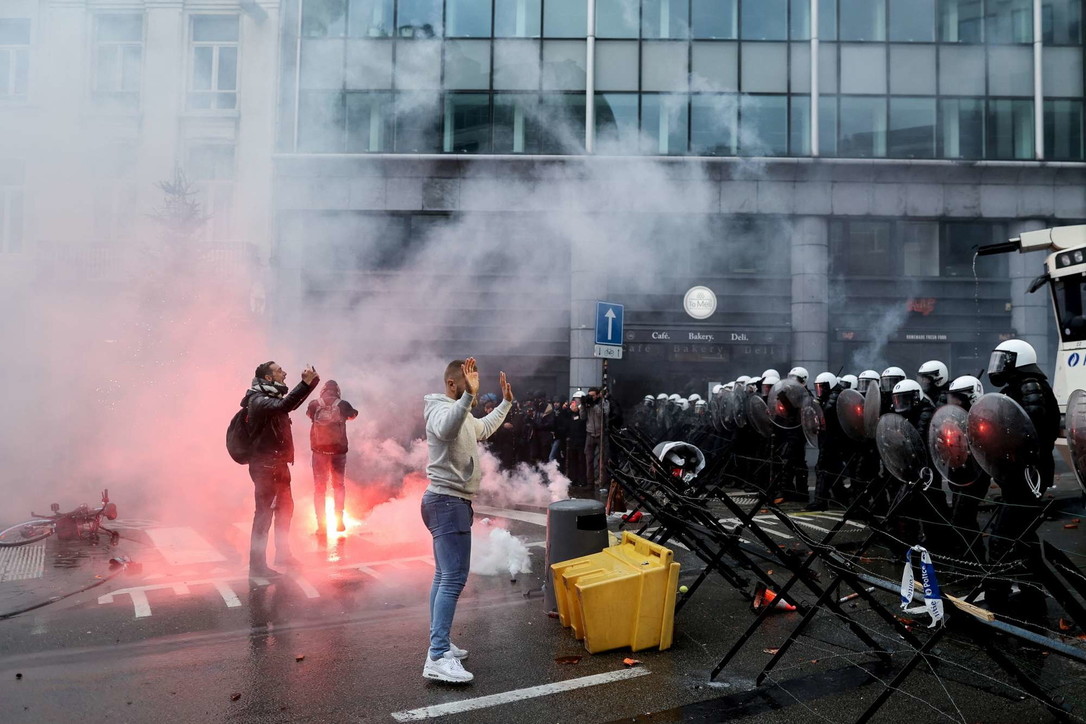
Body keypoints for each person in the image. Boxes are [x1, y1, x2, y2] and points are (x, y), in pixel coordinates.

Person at [421, 358, 513, 684]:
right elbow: (446, 429)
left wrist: (505, 403)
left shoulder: (461, 412)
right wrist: (466, 398)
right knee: (453, 579)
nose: (474, 388)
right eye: (468, 382)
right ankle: (437, 656)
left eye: (476, 381)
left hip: (449, 502)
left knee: (444, 575)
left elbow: (483, 428)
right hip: (446, 502)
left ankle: (441, 643)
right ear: (451, 385)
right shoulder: (438, 409)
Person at [242, 361, 319, 578]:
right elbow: (285, 406)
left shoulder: (270, 398)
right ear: (268, 378)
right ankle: (257, 566)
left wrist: (311, 383)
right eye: (279, 371)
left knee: (285, 510)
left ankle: (283, 554)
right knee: (264, 514)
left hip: (278, 465)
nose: (284, 373)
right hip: (266, 467)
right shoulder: (258, 400)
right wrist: (304, 384)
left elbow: (287, 404)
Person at [305, 380, 359, 536]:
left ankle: (321, 526)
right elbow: (353, 415)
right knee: (338, 486)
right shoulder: (343, 404)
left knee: (319, 489)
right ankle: (339, 520)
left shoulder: (314, 404)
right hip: (338, 452)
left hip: (319, 452)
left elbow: (309, 415)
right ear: (338, 391)